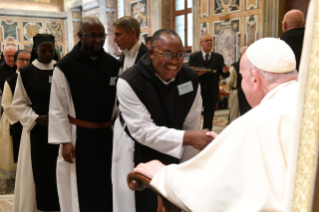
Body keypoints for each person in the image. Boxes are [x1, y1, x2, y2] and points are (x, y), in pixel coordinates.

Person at [134, 38, 299, 212]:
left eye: (242, 77)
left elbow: (211, 190)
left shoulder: (254, 121)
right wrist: (229, 144)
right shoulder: (306, 102)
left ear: (255, 80)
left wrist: (164, 175)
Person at [112, 29, 213, 212]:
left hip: (177, 147)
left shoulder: (190, 79)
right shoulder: (129, 82)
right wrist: (188, 138)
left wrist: (186, 171)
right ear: (151, 53)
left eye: (180, 54)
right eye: (167, 54)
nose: (174, 61)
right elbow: (142, 131)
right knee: (142, 203)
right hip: (137, 148)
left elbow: (191, 125)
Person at [49, 16, 120, 212]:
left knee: (107, 186)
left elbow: (118, 104)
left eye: (102, 36)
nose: (98, 40)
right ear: (80, 36)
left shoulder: (113, 65)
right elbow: (57, 107)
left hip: (107, 137)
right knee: (81, 190)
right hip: (78, 137)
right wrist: (65, 141)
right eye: (92, 36)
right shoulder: (65, 67)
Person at [12, 34, 60, 212]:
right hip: (35, 129)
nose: (47, 54)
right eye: (43, 50)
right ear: (35, 50)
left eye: (51, 50)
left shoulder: (61, 69)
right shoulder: (26, 73)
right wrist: (36, 118)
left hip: (59, 127)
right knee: (36, 174)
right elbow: (18, 102)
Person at [188, 34, 229, 130]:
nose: (209, 42)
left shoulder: (218, 57)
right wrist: (196, 74)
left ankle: (207, 135)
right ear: (201, 43)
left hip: (212, 92)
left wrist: (225, 72)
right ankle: (195, 134)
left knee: (209, 116)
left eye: (211, 40)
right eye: (207, 40)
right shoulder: (194, 57)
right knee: (195, 115)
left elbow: (224, 75)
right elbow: (188, 74)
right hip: (198, 91)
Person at [0, 50, 30, 168]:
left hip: (31, 121)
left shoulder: (34, 78)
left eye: (27, 60)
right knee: (14, 156)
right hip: (15, 122)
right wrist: (25, 117)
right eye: (21, 59)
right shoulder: (10, 81)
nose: (24, 62)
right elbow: (7, 104)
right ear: (16, 62)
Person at [226, 46, 251, 123]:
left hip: (238, 91)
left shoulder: (235, 66)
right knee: (244, 114)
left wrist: (229, 90)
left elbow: (229, 81)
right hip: (247, 92)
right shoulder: (252, 66)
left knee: (236, 115)